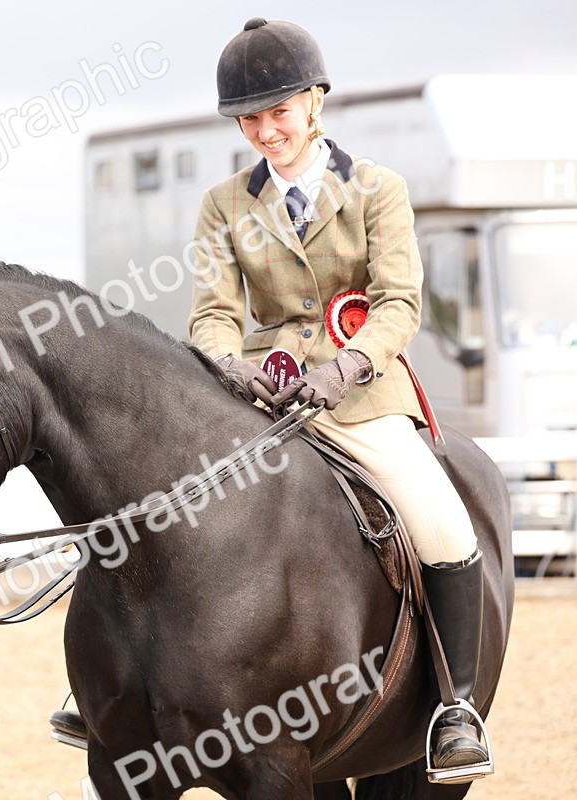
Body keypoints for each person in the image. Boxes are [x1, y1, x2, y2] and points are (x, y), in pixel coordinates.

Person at [187, 17, 490, 781]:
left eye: (278, 112)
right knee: (168, 502)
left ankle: (456, 708)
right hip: (264, 394)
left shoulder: (378, 190)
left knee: (442, 523)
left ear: (315, 101)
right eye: (249, 120)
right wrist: (227, 366)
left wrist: (347, 366)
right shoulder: (224, 204)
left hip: (360, 396)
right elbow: (212, 313)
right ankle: (122, 684)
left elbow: (399, 302)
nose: (265, 131)